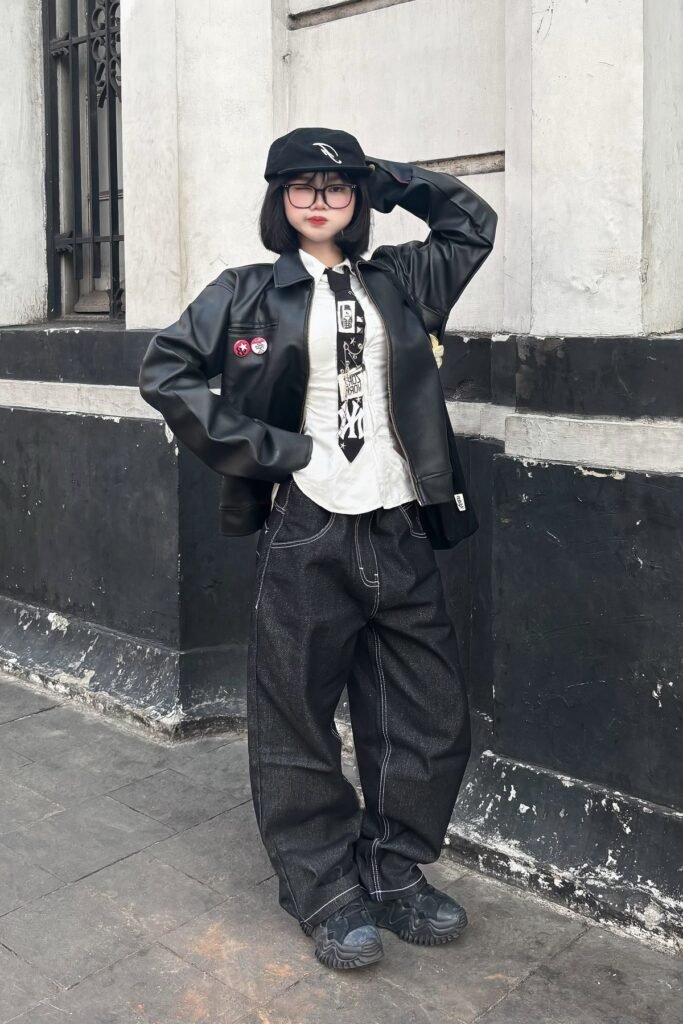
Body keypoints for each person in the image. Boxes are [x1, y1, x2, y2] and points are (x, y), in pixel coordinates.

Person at [138, 126, 498, 970]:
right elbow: (166, 372)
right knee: (295, 714)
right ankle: (323, 888)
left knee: (428, 713)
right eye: (301, 186)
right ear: (279, 200)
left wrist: (389, 176)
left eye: (337, 188)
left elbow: (469, 224)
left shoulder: (402, 279)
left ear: (356, 199)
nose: (320, 200)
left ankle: (394, 869)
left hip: (400, 518)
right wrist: (276, 452)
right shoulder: (245, 293)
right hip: (307, 522)